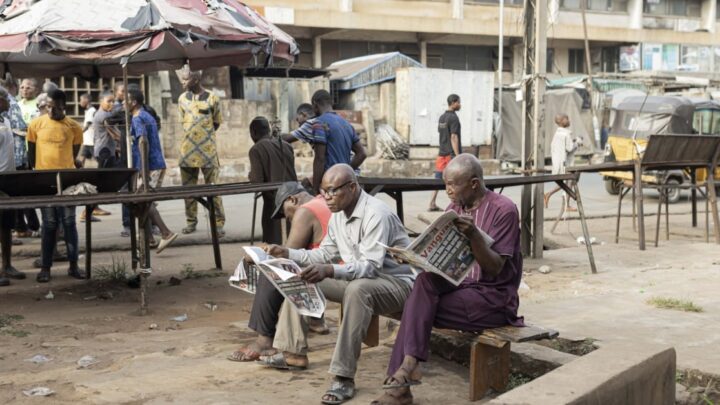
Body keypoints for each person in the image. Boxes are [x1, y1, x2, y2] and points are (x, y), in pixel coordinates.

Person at [371, 154, 524, 405]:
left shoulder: (504, 210)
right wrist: (414, 258)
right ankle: (408, 369)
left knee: (415, 309)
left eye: (453, 184)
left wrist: (475, 235)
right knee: (422, 283)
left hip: (492, 299)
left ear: (474, 183)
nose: (447, 191)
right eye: (445, 184)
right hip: (460, 288)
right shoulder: (454, 209)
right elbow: (445, 265)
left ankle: (402, 382)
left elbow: (496, 268)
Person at [260, 164, 414, 405]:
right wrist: (287, 253)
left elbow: (370, 267)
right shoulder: (338, 215)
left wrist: (330, 270)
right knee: (300, 276)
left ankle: (343, 376)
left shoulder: (376, 214)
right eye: (323, 192)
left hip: (397, 283)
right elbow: (322, 255)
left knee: (357, 289)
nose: (327, 198)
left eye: (332, 191)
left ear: (352, 187)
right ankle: (292, 353)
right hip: (362, 280)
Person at [228, 181, 331, 362]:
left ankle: (264, 340)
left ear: (292, 199)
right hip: (334, 264)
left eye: (285, 213)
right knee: (284, 265)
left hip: (331, 270)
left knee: (272, 272)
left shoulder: (305, 211)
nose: (288, 219)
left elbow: (285, 259)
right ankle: (316, 321)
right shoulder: (320, 202)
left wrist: (259, 257)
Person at [27, 89, 85, 283]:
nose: (51, 111)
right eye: (48, 107)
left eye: (56, 108)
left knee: (69, 223)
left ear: (64, 107)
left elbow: (73, 154)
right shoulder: (36, 125)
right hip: (45, 181)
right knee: (49, 224)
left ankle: (73, 265)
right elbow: (31, 155)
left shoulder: (74, 127)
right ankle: (46, 267)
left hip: (68, 181)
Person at [127, 88, 178, 253]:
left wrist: (143, 168)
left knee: (143, 199)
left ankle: (166, 232)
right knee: (139, 202)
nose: (121, 103)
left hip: (149, 166)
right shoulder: (146, 115)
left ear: (133, 102)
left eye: (124, 100)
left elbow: (143, 142)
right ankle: (149, 238)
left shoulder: (137, 117)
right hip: (154, 164)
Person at [177, 68, 225, 236]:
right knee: (188, 191)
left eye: (185, 79)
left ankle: (218, 223)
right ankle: (191, 222)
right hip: (187, 152)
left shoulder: (213, 98)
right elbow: (183, 122)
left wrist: (204, 138)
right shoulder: (182, 99)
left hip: (208, 153)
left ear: (196, 79)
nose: (182, 82)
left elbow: (217, 123)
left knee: (213, 190)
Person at [298, 90, 367, 194]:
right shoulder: (347, 124)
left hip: (330, 180)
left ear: (315, 104)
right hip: (345, 181)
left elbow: (320, 159)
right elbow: (362, 154)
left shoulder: (319, 123)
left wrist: (316, 189)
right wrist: (346, 171)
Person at [248, 116, 297, 244]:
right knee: (293, 236)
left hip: (274, 200)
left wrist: (250, 175)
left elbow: (256, 181)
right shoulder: (287, 146)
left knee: (274, 239)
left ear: (253, 133)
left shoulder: (256, 149)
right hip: (294, 197)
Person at [0, 86, 27, 286]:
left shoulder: (6, 121)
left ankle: (7, 265)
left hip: (9, 180)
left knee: (7, 226)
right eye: (6, 98)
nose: (9, 102)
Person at [429, 94, 461, 212]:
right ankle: (456, 206)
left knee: (438, 179)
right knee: (455, 180)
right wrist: (458, 156)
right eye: (458, 102)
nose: (460, 105)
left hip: (441, 153)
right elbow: (453, 137)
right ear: (453, 102)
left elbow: (442, 134)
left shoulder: (442, 117)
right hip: (450, 155)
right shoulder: (453, 118)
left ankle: (432, 203)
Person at [543, 114, 581, 211]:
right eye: (567, 119)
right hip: (565, 164)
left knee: (566, 183)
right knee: (569, 182)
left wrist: (573, 142)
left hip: (558, 164)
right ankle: (565, 205)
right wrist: (577, 143)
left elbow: (564, 148)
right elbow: (569, 148)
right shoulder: (565, 134)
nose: (569, 120)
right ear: (562, 121)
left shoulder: (558, 134)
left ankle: (550, 195)